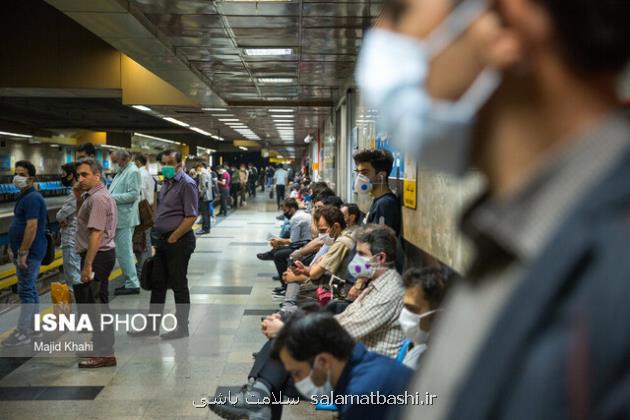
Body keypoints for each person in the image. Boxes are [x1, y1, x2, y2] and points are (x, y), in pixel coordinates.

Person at [359, 1, 630, 420]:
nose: (381, 42)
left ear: (506, 23)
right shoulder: (510, 239)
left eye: (400, 11)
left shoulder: (613, 270)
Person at [210, 225, 406, 420]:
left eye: (362, 254)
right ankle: (259, 396)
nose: (356, 259)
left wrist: (289, 331)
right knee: (283, 349)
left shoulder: (389, 291)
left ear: (380, 258)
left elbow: (344, 331)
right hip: (351, 357)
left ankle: (258, 395)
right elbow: (341, 320)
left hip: (360, 371)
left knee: (283, 352)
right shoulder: (376, 286)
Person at [273, 311, 414, 420]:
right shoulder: (364, 364)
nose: (295, 381)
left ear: (323, 361)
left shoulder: (360, 396)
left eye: (297, 372)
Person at [128, 150, 197, 339]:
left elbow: (191, 216)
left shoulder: (187, 184)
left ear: (179, 164)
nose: (166, 166)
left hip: (179, 241)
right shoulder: (165, 182)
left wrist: (173, 237)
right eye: (163, 163)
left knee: (178, 284)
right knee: (157, 283)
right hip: (163, 239)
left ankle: (182, 327)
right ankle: (152, 326)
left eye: (170, 163)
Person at [73, 158, 117, 368]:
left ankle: (105, 353)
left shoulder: (98, 199)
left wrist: (88, 264)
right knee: (96, 303)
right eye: (78, 175)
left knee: (98, 305)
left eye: (85, 174)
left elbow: (96, 233)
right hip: (100, 255)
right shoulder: (93, 196)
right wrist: (77, 197)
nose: (80, 178)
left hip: (98, 256)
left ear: (97, 175)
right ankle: (100, 345)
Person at [1, 161, 48, 347]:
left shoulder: (32, 198)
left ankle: (23, 332)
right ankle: (34, 329)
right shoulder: (25, 195)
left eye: (21, 174)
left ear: (31, 178)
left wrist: (22, 252)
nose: (17, 177)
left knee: (26, 290)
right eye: (16, 173)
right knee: (31, 289)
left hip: (30, 252)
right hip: (28, 251)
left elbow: (32, 226)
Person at [399, 267, 456, 369]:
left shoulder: (437, 362)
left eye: (412, 309)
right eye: (405, 307)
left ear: (437, 315)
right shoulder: (416, 347)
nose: (405, 314)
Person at [108, 149, 142, 296]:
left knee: (124, 252)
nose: (114, 164)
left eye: (115, 161)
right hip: (120, 218)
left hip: (125, 218)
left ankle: (132, 283)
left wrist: (110, 198)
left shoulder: (133, 171)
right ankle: (130, 281)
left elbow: (134, 194)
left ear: (124, 159)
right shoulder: (122, 171)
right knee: (122, 252)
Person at [353, 149, 401, 236]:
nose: (359, 178)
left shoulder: (385, 204)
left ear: (381, 176)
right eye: (359, 173)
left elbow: (379, 244)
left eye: (365, 173)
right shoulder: (378, 200)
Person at [56, 163, 81, 294]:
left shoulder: (75, 193)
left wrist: (59, 216)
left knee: (73, 278)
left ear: (71, 175)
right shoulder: (81, 191)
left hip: (71, 239)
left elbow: (61, 214)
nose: (62, 176)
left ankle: (79, 311)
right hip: (78, 239)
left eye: (63, 174)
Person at [134, 153, 156, 279]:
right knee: (145, 240)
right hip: (148, 209)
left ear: (137, 162)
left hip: (142, 211)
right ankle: (145, 268)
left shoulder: (140, 174)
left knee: (143, 242)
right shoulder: (147, 174)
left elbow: (139, 194)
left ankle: (144, 269)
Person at [195, 162, 212, 234]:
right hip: (208, 196)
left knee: (204, 213)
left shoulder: (203, 174)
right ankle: (207, 228)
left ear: (199, 167)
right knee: (207, 213)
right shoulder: (208, 173)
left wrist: (200, 195)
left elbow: (203, 187)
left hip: (204, 197)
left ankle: (205, 228)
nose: (197, 170)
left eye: (197, 168)